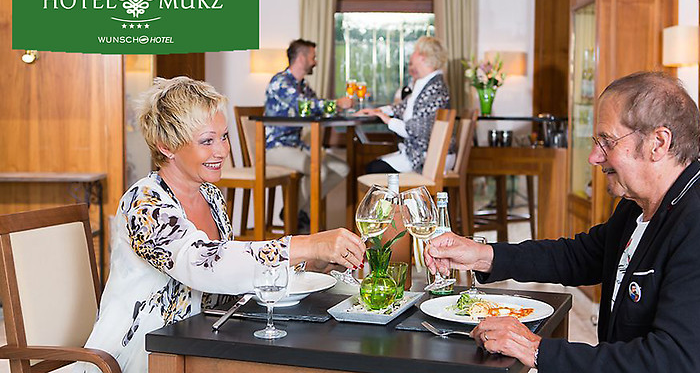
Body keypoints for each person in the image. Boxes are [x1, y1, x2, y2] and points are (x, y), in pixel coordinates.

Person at [425, 71, 700, 372]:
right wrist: (482, 255)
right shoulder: (639, 205)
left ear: (658, 143)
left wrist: (537, 349)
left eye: (607, 141)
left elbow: (669, 362)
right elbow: (580, 256)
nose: (594, 157)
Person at [80, 77, 366, 373]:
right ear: (166, 147)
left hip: (197, 347)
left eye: (224, 136)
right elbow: (202, 264)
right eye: (207, 141)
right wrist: (306, 244)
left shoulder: (211, 196)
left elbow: (227, 281)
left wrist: (308, 263)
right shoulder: (144, 203)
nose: (222, 150)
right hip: (139, 357)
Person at [263, 39, 352, 228]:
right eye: (313, 57)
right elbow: (306, 106)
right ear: (302, 58)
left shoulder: (302, 85)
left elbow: (319, 107)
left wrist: (340, 109)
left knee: (341, 168)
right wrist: (336, 104)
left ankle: (297, 211)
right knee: (320, 170)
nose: (315, 62)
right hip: (276, 147)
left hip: (296, 146)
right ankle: (294, 214)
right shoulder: (280, 82)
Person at [356, 36, 451, 174]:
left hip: (428, 157)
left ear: (423, 57)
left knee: (373, 168)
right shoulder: (427, 83)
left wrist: (386, 119)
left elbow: (415, 130)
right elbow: (403, 107)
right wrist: (378, 111)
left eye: (415, 51)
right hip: (422, 152)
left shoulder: (435, 89)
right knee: (374, 165)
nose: (412, 55)